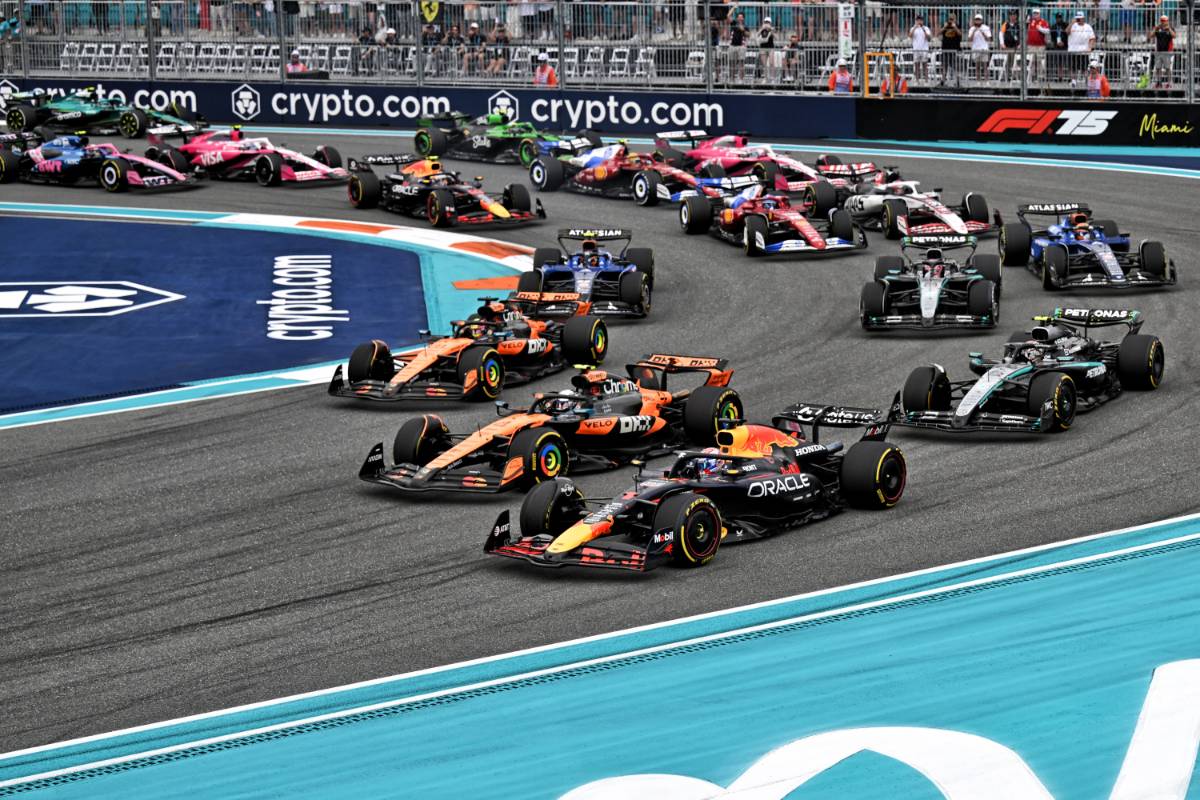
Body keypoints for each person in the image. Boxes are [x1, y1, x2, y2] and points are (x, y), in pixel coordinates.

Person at [1066, 11, 1095, 83]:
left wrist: (1090, 48)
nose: (1078, 19)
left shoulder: (1088, 27)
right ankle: (1073, 82)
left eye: (1080, 18)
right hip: (1073, 51)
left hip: (1083, 51)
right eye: (1077, 18)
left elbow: (1092, 38)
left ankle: (1086, 82)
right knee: (1073, 68)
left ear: (1083, 18)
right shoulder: (1072, 25)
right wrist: (1071, 23)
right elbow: (1067, 32)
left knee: (1084, 68)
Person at [1149, 14, 1175, 88]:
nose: (1163, 22)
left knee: (1167, 68)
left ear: (1167, 21)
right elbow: (1151, 36)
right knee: (1158, 68)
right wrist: (1155, 29)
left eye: (1164, 21)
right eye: (1162, 21)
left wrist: (1169, 29)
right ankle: (1159, 82)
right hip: (1159, 51)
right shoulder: (1158, 29)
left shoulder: (1170, 28)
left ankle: (1169, 83)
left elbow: (1174, 36)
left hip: (1167, 51)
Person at [1026, 9, 1050, 83]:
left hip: (1040, 46)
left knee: (1040, 62)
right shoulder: (1030, 21)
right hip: (1031, 45)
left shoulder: (1043, 22)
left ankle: (1040, 77)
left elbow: (1047, 31)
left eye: (1037, 13)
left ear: (1040, 14)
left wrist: (1040, 29)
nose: (1035, 15)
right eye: (1034, 13)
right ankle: (1032, 77)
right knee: (1031, 62)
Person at [967, 13, 991, 83]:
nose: (977, 21)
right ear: (974, 20)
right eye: (976, 20)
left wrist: (982, 33)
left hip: (984, 49)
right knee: (977, 66)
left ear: (982, 20)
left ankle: (987, 81)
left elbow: (989, 39)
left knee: (985, 66)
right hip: (975, 49)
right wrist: (974, 32)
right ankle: (978, 81)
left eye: (979, 20)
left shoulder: (986, 28)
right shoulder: (972, 29)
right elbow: (969, 40)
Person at [939, 13, 961, 84]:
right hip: (945, 48)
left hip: (954, 48)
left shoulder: (957, 25)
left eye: (952, 19)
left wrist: (955, 27)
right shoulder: (945, 25)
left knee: (955, 65)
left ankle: (957, 80)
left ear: (955, 19)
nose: (951, 20)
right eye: (950, 19)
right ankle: (943, 79)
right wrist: (944, 27)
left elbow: (960, 34)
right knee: (944, 65)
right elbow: (938, 33)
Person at [910, 15, 932, 83]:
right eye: (918, 20)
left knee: (925, 65)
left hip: (924, 49)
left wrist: (923, 29)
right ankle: (917, 81)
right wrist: (915, 28)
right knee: (917, 66)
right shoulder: (913, 28)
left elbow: (929, 38)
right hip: (916, 49)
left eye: (920, 20)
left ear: (923, 21)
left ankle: (926, 81)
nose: (919, 21)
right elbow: (910, 35)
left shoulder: (926, 28)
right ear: (916, 21)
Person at [999, 10, 1019, 82]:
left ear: (1016, 16)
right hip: (1007, 47)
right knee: (1006, 62)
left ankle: (1013, 76)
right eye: (1011, 15)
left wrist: (1020, 44)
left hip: (1015, 47)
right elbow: (1001, 34)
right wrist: (1002, 43)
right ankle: (1005, 76)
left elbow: (1021, 35)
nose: (1012, 17)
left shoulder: (1018, 25)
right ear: (1009, 16)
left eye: (1014, 15)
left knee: (1014, 63)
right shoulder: (1006, 24)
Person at [1048, 13, 1069, 82]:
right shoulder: (1053, 26)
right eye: (1057, 18)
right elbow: (1052, 37)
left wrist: (1064, 42)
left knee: (1066, 61)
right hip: (1056, 46)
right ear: (1056, 18)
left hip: (1065, 46)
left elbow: (1068, 35)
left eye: (1060, 17)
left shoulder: (1066, 25)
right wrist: (1056, 43)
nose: (1059, 19)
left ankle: (1067, 77)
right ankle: (1059, 77)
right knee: (1057, 62)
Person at [728, 13, 747, 82]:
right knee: (732, 63)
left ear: (743, 18)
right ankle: (732, 79)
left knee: (741, 63)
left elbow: (749, 35)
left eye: (741, 17)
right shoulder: (734, 23)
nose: (740, 18)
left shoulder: (745, 26)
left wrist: (743, 30)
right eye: (738, 17)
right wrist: (733, 8)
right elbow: (728, 16)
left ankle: (741, 79)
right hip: (732, 46)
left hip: (741, 46)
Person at [757, 17, 777, 82]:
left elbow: (776, 37)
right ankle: (765, 78)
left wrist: (771, 30)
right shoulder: (762, 28)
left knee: (771, 63)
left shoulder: (772, 29)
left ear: (770, 23)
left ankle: (773, 78)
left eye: (768, 22)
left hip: (770, 47)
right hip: (763, 47)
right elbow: (757, 35)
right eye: (765, 22)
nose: (767, 23)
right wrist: (762, 29)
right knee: (764, 64)